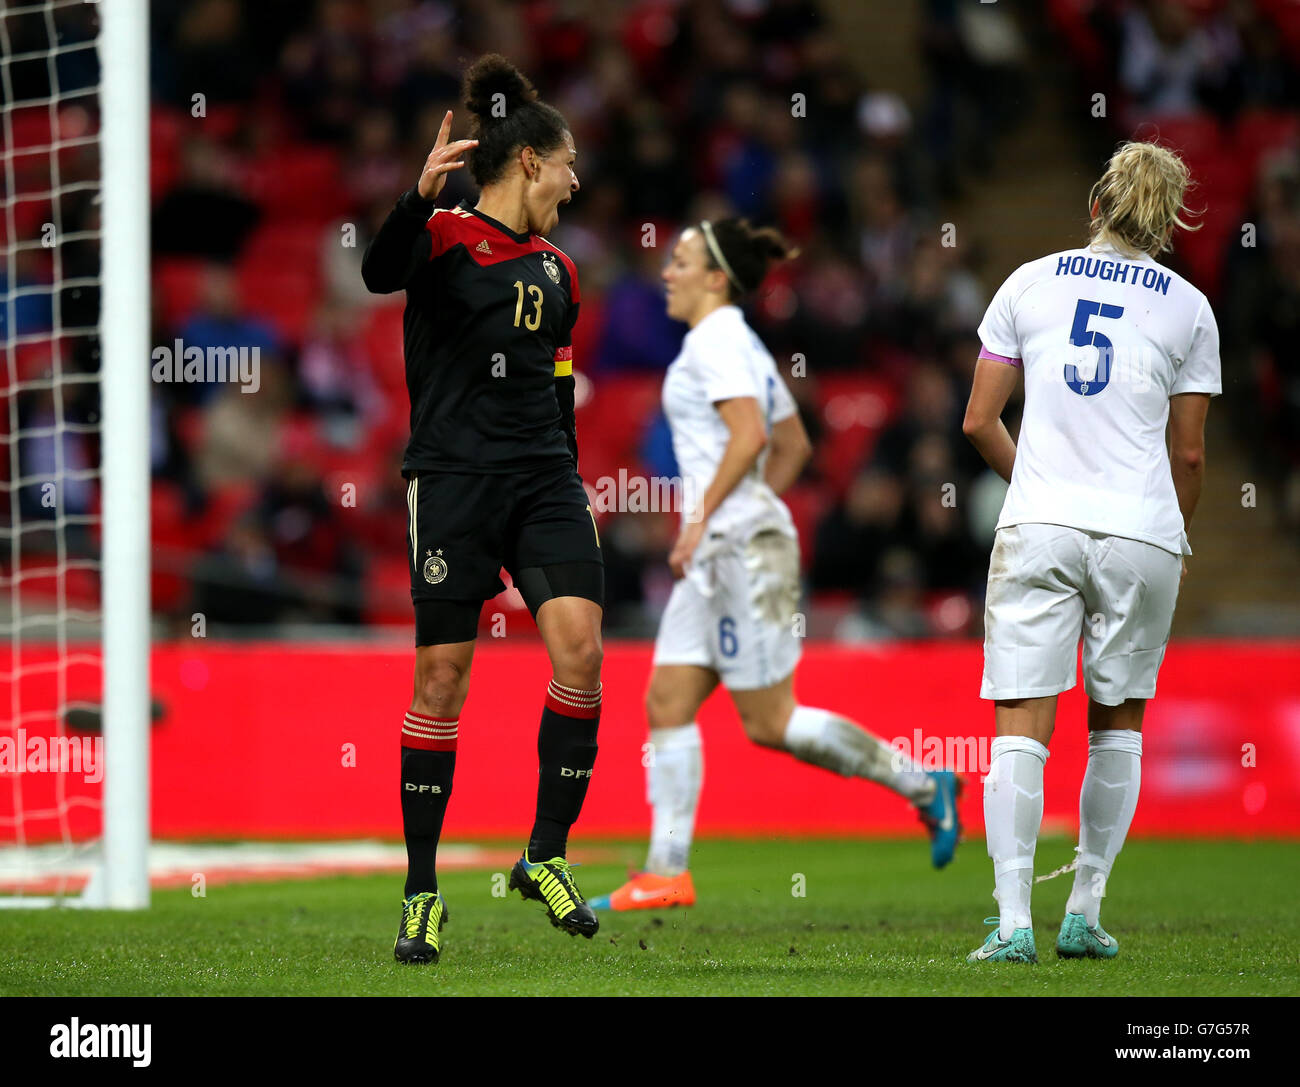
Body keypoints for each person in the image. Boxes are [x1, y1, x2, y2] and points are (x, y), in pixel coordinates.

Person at [591, 219, 962, 913]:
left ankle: (923, 782)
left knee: (769, 720)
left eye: (681, 262)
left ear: (716, 278)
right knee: (666, 701)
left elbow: (754, 435)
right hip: (723, 551)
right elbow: (789, 444)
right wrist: (744, 509)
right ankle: (666, 871)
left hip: (735, 551)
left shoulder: (719, 341)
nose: (666, 272)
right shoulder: (742, 345)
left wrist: (709, 516)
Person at [361, 54, 603, 964]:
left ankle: (545, 851)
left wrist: (569, 479)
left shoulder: (559, 272)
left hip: (543, 481)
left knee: (581, 655)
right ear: (530, 161)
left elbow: (560, 383)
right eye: (568, 163)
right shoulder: (445, 237)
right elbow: (379, 275)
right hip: (454, 481)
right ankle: (422, 890)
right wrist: (415, 198)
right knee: (443, 681)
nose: (577, 182)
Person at [961, 141, 1219, 963]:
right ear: (1167, 220)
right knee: (1118, 727)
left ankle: (1010, 924)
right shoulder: (1189, 306)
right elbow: (1189, 454)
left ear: (1096, 206)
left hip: (1040, 521)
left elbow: (977, 419)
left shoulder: (1029, 281)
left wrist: (1036, 477)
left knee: (1020, 722)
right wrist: (1175, 533)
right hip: (1141, 530)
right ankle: (1084, 909)